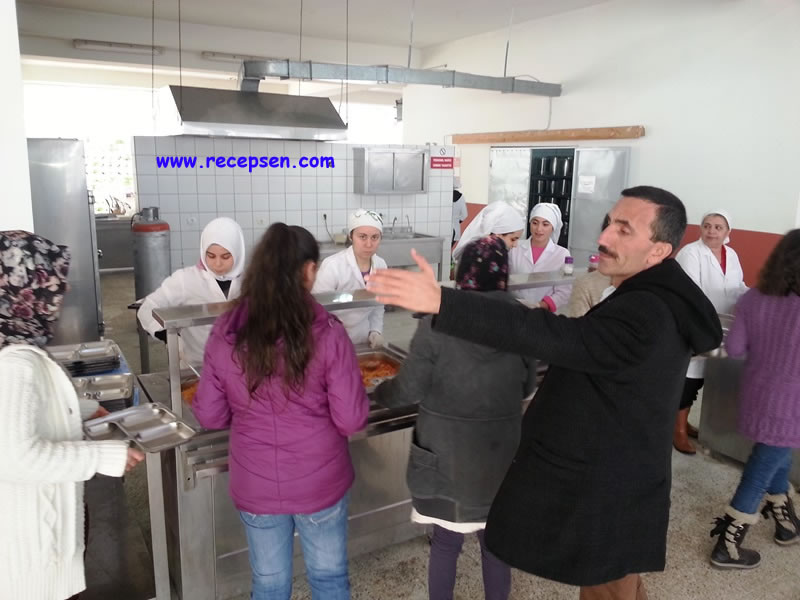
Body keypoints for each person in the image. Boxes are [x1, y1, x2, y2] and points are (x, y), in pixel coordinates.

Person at [366, 186, 722, 600]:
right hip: (619, 476)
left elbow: (556, 336)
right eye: (609, 224)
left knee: (610, 587)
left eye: (624, 230)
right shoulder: (656, 294)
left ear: (658, 251)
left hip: (612, 489)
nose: (604, 237)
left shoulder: (647, 311)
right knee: (615, 582)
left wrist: (445, 303)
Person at [193, 223, 369, 600]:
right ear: (307, 269)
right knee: (328, 579)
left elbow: (209, 415)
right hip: (320, 484)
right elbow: (351, 419)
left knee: (269, 584)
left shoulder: (226, 331)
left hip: (255, 483)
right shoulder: (328, 332)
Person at [373, 236, 536, 600]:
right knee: (496, 547)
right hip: (499, 459)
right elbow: (526, 386)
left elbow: (408, 389)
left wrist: (379, 393)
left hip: (445, 460)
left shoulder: (437, 321)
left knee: (446, 544)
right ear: (503, 274)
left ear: (462, 274)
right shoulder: (523, 321)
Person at [0, 230, 144, 600]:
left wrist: (81, 409)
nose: (59, 297)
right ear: (26, 289)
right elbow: (14, 456)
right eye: (52, 285)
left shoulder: (11, 344)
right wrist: (104, 456)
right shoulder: (15, 363)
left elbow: (26, 412)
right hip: (30, 564)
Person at [708, 229, 800, 570]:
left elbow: (735, 348)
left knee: (776, 453)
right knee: (761, 468)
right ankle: (728, 545)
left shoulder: (752, 298)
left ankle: (786, 524)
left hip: (757, 396)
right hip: (792, 405)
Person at [674, 210, 748, 454]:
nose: (711, 231)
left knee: (708, 375)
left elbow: (738, 286)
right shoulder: (691, 253)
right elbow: (691, 293)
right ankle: (677, 429)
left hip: (722, 325)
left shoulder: (731, 254)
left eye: (718, 227)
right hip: (697, 324)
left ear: (728, 231)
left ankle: (684, 421)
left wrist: (754, 298)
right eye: (707, 225)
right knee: (689, 378)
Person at [138, 216, 246, 365]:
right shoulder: (185, 279)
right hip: (197, 367)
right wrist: (167, 335)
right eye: (211, 256)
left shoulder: (251, 281)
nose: (218, 264)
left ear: (238, 252)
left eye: (226, 257)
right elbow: (147, 308)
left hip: (241, 366)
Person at [313, 209, 387, 348]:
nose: (369, 244)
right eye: (362, 237)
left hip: (363, 338)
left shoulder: (381, 265)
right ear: (351, 236)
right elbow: (317, 309)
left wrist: (375, 331)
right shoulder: (332, 266)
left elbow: (378, 304)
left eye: (375, 237)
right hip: (331, 340)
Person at [509, 203, 572, 311]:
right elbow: (505, 280)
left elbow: (564, 291)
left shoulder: (562, 254)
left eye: (545, 224)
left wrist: (540, 306)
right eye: (535, 223)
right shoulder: (514, 247)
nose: (539, 229)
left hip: (543, 313)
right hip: (514, 310)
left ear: (553, 227)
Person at [564, 216, 613, 318]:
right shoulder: (586, 286)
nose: (601, 240)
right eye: (606, 227)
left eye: (623, 232)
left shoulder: (644, 290)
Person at [452, 201, 525, 261]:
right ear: (497, 234)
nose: (515, 245)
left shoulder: (494, 254)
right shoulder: (484, 258)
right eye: (513, 239)